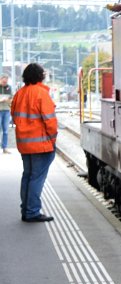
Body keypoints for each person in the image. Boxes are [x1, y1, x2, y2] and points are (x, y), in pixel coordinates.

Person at [11, 63, 58, 222]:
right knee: (36, 178)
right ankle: (32, 212)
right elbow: (50, 122)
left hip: (24, 144)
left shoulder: (19, 94)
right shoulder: (41, 94)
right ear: (40, 76)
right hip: (41, 145)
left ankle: (26, 210)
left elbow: (14, 115)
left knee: (28, 176)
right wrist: (52, 139)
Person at [0, 74, 12, 153]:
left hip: (6, 110)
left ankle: (4, 148)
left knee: (5, 130)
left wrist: (9, 100)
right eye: (3, 82)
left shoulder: (9, 87)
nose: (5, 83)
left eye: (6, 82)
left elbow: (11, 97)